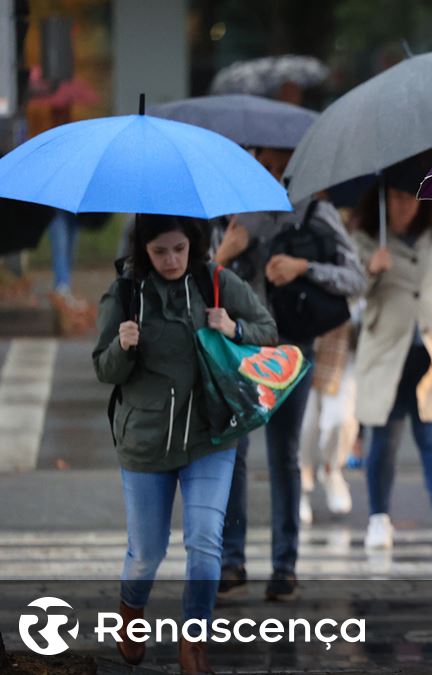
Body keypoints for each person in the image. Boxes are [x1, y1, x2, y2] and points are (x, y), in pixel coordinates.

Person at [94, 214, 277, 674]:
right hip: (145, 442)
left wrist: (234, 328)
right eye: (160, 251)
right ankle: (130, 612)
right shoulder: (123, 293)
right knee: (145, 555)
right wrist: (122, 345)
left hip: (210, 436)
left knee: (204, 541)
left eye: (180, 248)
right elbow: (104, 370)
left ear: (192, 244)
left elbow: (267, 331)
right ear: (143, 251)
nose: (172, 260)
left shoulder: (217, 280)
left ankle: (194, 641)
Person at [216, 146, 367, 602]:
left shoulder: (314, 210)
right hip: (237, 351)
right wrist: (225, 251)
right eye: (260, 157)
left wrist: (304, 267)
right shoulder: (226, 212)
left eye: (278, 158)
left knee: (284, 457)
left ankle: (285, 566)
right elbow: (197, 283)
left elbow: (356, 279)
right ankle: (231, 560)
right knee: (234, 456)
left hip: (291, 350)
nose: (270, 166)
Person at [353, 168, 432, 552]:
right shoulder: (365, 238)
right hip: (387, 353)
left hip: (431, 350)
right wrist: (370, 271)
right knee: (383, 439)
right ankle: (378, 518)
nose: (404, 206)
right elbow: (350, 294)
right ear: (382, 201)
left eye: (410, 197)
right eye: (397, 198)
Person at [297, 321, 357, 524]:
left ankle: (331, 469)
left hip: (341, 343)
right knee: (306, 426)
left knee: (341, 420)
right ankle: (301, 486)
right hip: (300, 340)